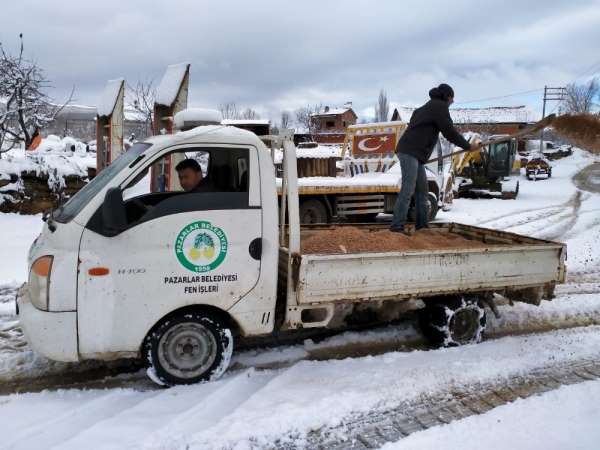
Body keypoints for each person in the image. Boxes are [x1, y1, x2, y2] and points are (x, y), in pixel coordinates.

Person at [390, 83, 481, 235]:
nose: (452, 101)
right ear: (446, 96)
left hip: (414, 153)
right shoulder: (439, 107)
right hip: (410, 152)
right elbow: (449, 132)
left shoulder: (424, 108)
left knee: (422, 190)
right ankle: (397, 227)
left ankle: (422, 227)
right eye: (452, 98)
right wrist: (467, 146)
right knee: (408, 188)